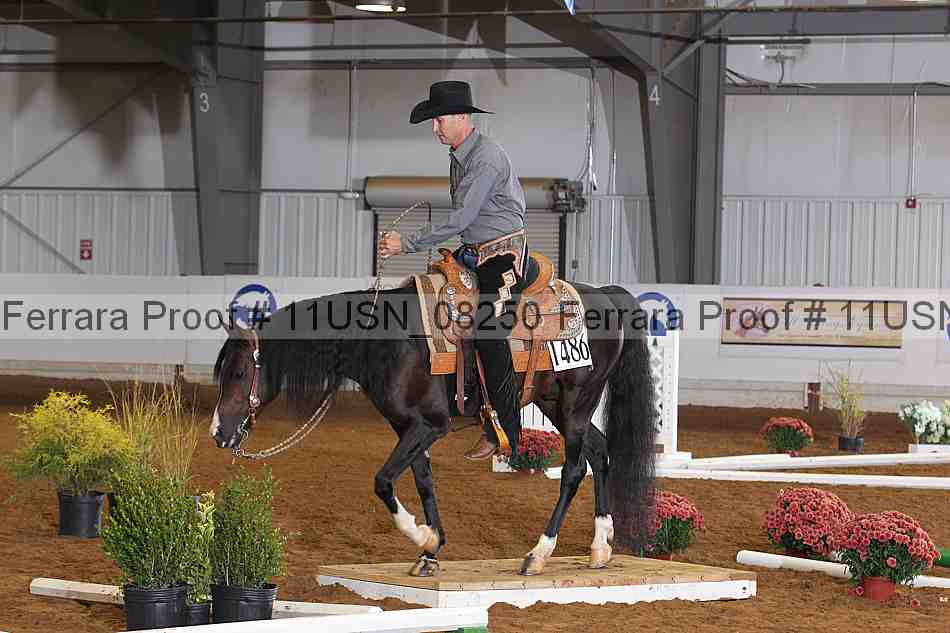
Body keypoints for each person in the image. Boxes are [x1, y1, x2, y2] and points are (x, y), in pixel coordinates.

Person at [377, 80, 527, 462]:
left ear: (461, 116)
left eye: (439, 120)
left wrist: (406, 243)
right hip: (474, 251)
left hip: (502, 256)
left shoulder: (485, 158)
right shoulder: (459, 156)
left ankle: (507, 430)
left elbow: (461, 218)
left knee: (489, 331)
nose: (434, 128)